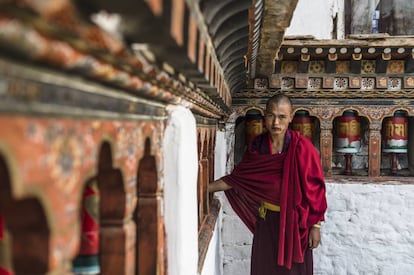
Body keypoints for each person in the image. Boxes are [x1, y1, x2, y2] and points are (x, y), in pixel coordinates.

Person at [209, 94, 327, 275]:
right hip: (267, 220)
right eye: (271, 116)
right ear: (265, 116)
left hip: (296, 225)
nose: (276, 123)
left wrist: (316, 226)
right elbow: (238, 179)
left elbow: (316, 191)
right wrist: (204, 188)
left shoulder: (303, 148)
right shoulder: (257, 147)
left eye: (281, 117)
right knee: (264, 269)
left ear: (291, 117)